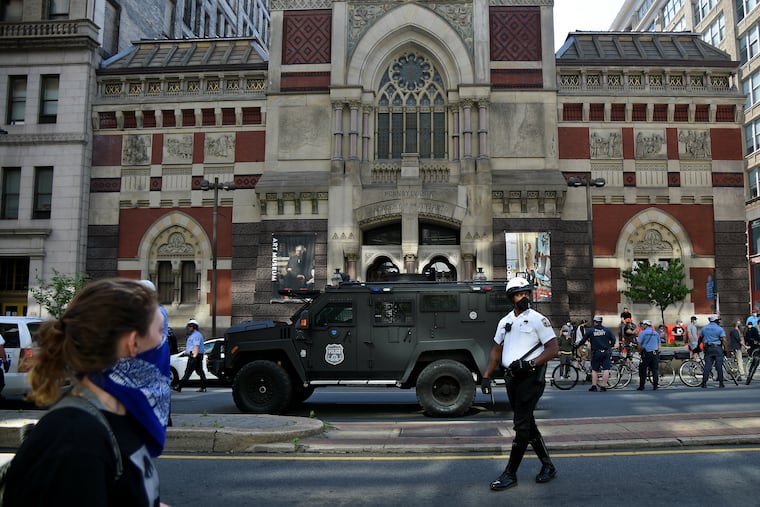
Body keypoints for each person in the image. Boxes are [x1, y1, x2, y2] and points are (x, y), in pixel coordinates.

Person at [2, 278, 170, 506]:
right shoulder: (74, 438)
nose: (164, 340)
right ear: (133, 343)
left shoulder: (118, 416)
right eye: (160, 330)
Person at [481, 277, 559, 492]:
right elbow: (496, 350)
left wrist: (530, 363)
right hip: (512, 379)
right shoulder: (505, 321)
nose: (523, 297)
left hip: (531, 378)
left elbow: (553, 349)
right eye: (518, 294)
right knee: (527, 423)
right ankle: (548, 466)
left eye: (526, 293)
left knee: (521, 426)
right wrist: (486, 375)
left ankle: (510, 474)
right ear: (511, 298)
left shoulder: (537, 319)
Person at [579, 316, 616, 392]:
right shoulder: (607, 330)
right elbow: (613, 339)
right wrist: (610, 346)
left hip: (596, 352)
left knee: (594, 369)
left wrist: (577, 346)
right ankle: (603, 386)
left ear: (595, 322)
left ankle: (594, 386)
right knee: (606, 369)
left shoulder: (591, 330)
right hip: (606, 352)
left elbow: (583, 340)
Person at [174, 319, 207, 393]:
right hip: (196, 355)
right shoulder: (194, 335)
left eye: (189, 326)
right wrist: (186, 352)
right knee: (200, 371)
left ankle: (179, 386)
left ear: (194, 327)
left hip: (195, 355)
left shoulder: (196, 335)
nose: (188, 328)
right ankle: (203, 387)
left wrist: (193, 356)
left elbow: (196, 346)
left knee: (188, 371)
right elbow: (192, 346)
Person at [700, 315, 727, 388]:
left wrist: (697, 347)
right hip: (717, 348)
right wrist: (726, 350)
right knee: (719, 366)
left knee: (707, 366)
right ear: (716, 321)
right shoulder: (719, 329)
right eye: (718, 320)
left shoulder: (704, 328)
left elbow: (700, 338)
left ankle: (704, 382)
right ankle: (721, 383)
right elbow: (724, 340)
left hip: (708, 348)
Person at [636, 320, 660, 391]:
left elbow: (639, 344)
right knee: (655, 370)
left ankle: (642, 386)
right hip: (655, 353)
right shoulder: (656, 333)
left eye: (643, 325)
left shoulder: (643, 333)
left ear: (646, 325)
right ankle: (655, 385)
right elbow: (659, 344)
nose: (642, 326)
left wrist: (639, 351)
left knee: (642, 370)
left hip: (646, 354)